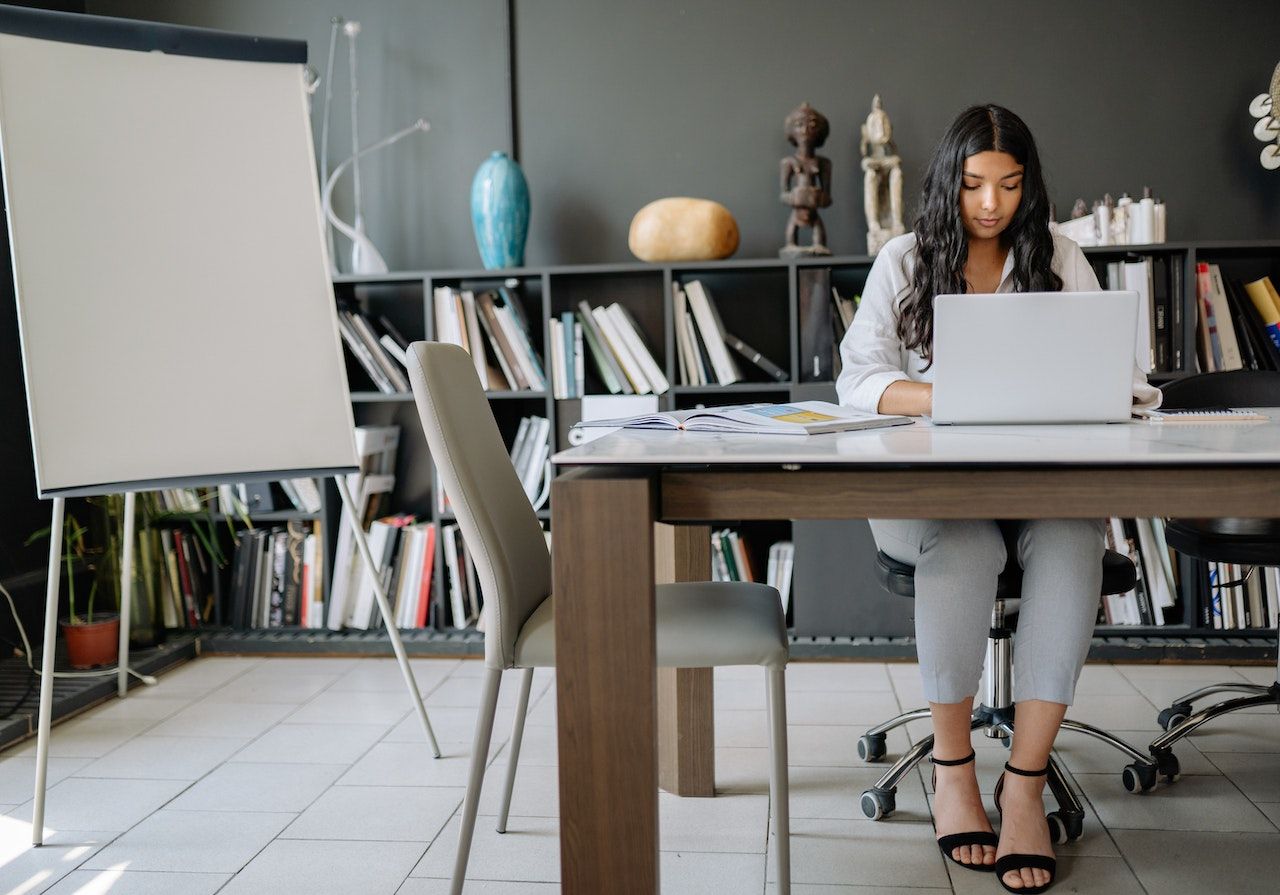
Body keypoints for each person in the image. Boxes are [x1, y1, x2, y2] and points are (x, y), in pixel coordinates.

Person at [835, 104, 1160, 895]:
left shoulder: (1061, 257)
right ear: (949, 180)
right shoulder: (905, 260)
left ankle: (1023, 781)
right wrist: (943, 395)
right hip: (930, 499)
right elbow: (857, 383)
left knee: (1071, 538)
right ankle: (953, 773)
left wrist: (1096, 390)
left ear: (1029, 186)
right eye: (974, 184)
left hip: (1038, 489)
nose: (990, 204)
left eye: (1009, 186)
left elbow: (1133, 382)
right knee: (968, 538)